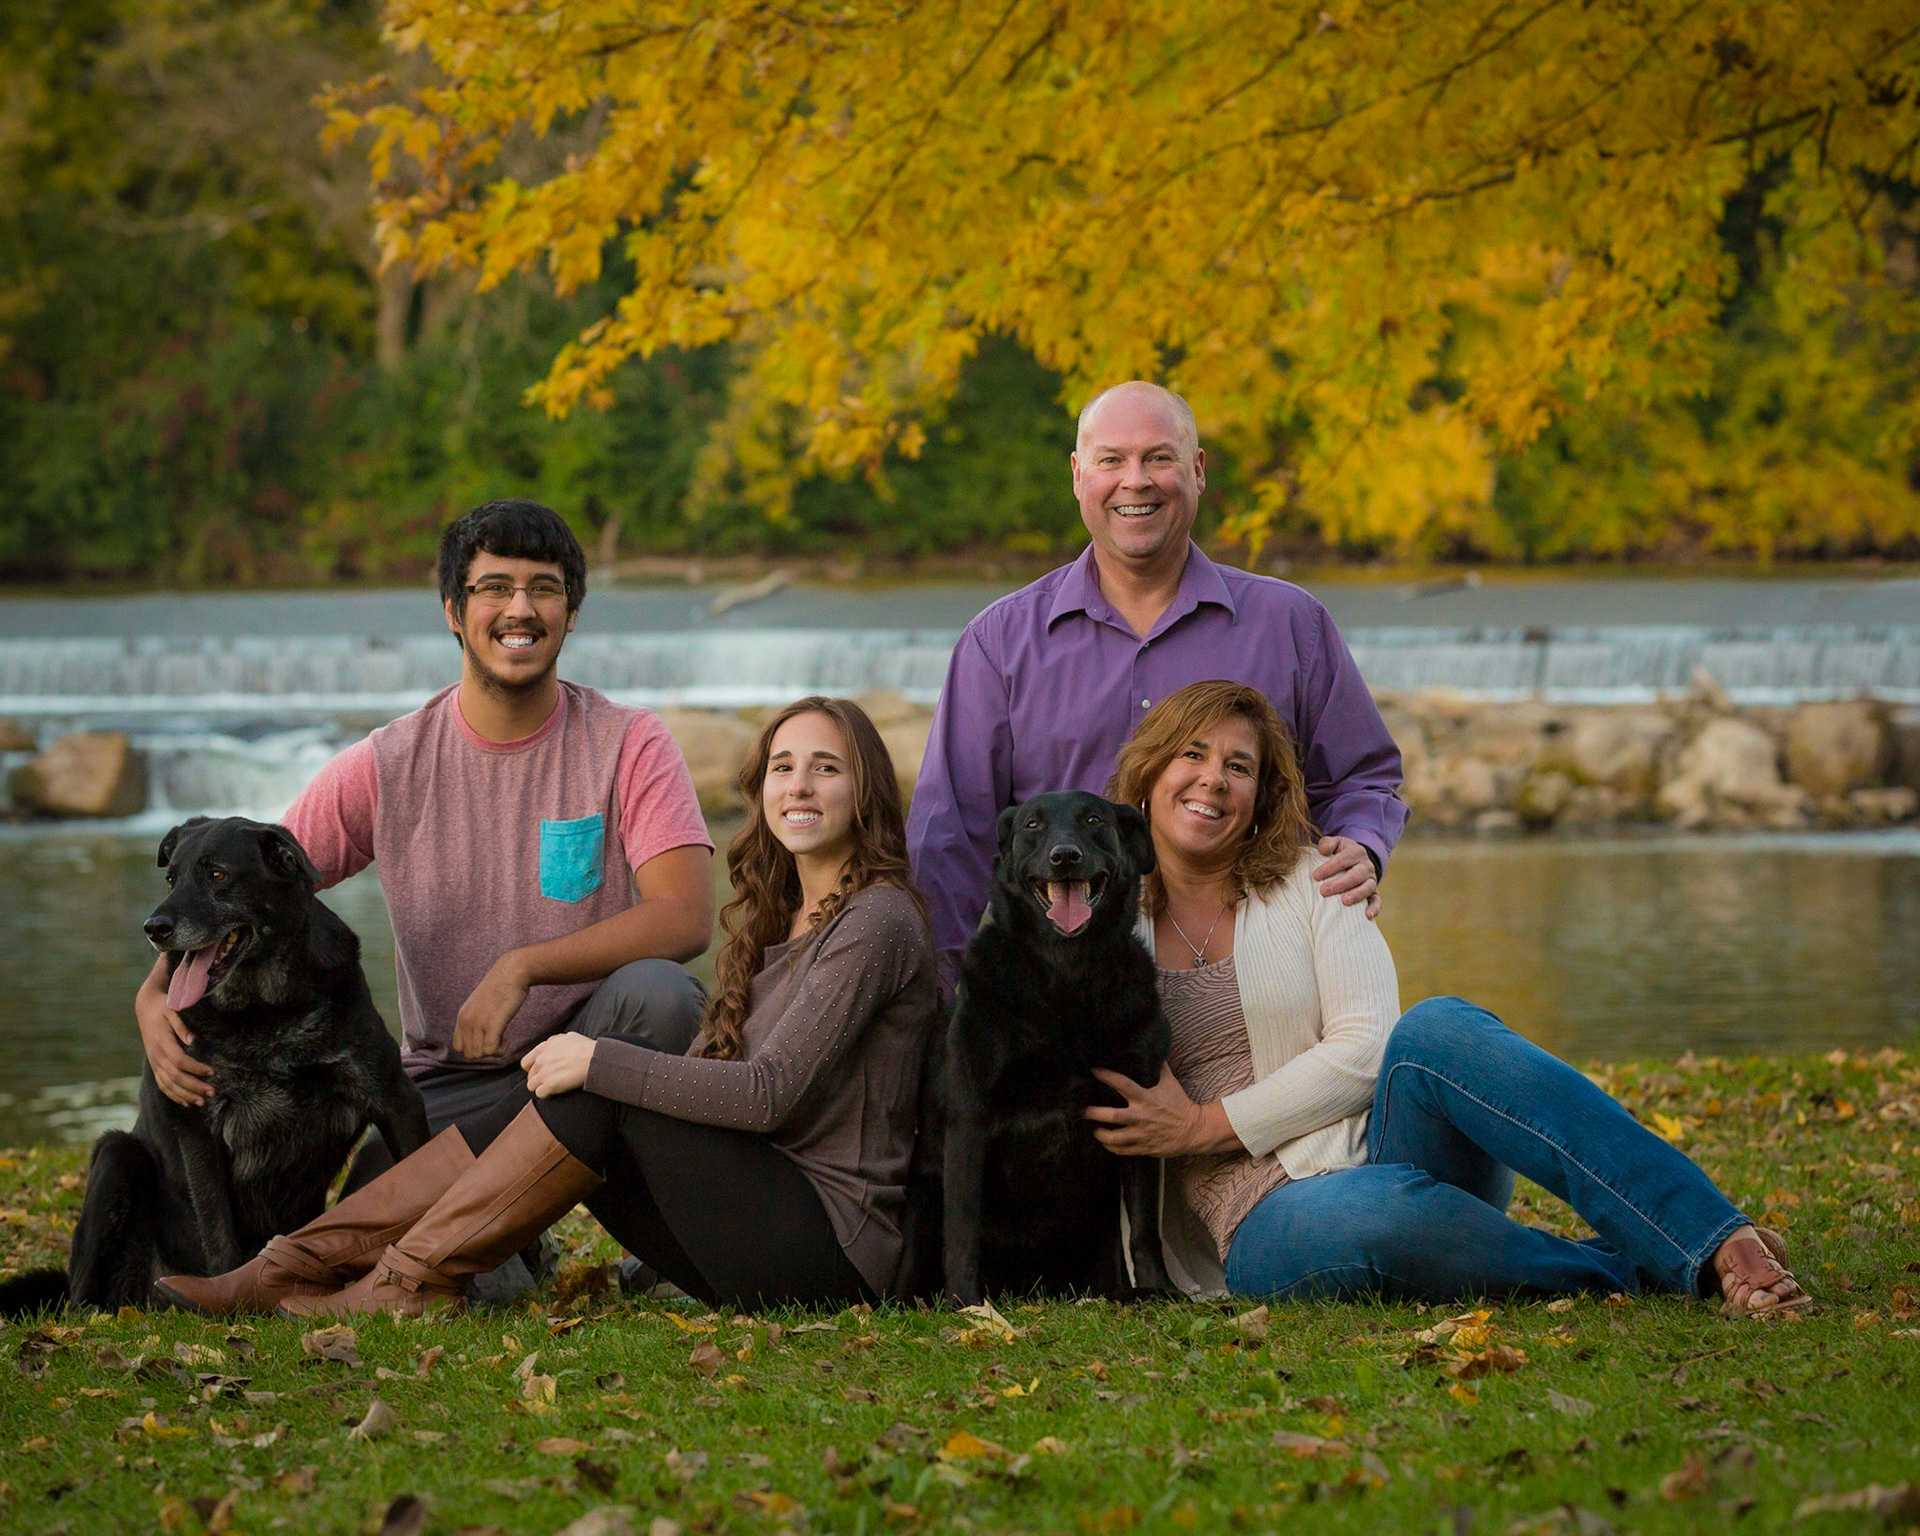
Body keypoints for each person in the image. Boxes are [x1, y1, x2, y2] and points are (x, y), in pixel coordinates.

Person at [158, 696, 939, 1317]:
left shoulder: (875, 919)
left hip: (835, 1254)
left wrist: (598, 1058)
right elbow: (244, 873)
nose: (798, 786)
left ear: (865, 788)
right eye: (782, 767)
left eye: (826, 768)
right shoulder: (789, 916)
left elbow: (766, 1095)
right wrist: (155, 990)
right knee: (586, 1092)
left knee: (595, 1082)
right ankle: (293, 1269)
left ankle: (392, 1278)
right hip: (757, 1228)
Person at [1081, 679, 1809, 1316]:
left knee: (1438, 1027)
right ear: (1149, 772)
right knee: (1374, 1214)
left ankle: (1717, 1237)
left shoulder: (1318, 878)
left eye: (1238, 766)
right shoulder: (1103, 921)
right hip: (1256, 1221)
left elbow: (1368, 1047)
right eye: (1193, 755)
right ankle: (1638, 1267)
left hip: (1386, 1148)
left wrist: (1205, 1124)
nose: (1213, 780)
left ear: (1262, 794)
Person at [135, 499, 715, 1297]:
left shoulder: (628, 742)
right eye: (494, 588)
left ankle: (651, 1232)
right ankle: (509, 1251)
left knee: (660, 995)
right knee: (391, 1240)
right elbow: (246, 880)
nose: (520, 609)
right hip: (451, 1090)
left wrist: (523, 968)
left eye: (544, 589)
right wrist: (152, 998)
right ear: (453, 609)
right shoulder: (387, 764)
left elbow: (685, 917)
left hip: (587, 1060)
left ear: (571, 614)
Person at [907, 380, 1406, 978]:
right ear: (1077, 476)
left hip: (1260, 981)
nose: (1135, 480)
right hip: (1069, 997)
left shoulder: (1291, 625)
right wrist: (937, 1010)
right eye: (1111, 460)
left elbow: (1362, 778)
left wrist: (1361, 844)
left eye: (1159, 457)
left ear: (1197, 471)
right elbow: (949, 845)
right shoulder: (999, 645)